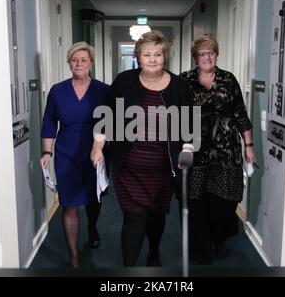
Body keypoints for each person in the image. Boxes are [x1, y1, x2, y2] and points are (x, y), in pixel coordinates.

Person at [90, 30, 193, 267]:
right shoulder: (124, 81)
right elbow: (106, 116)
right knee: (135, 215)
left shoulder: (179, 86)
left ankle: (154, 250)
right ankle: (129, 269)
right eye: (147, 54)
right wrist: (97, 147)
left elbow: (190, 123)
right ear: (139, 57)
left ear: (165, 56)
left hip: (164, 167)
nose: (153, 59)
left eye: (158, 54)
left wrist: (188, 150)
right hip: (129, 165)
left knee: (156, 215)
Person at [179, 35, 256, 265]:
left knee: (224, 200)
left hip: (226, 150)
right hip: (196, 149)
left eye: (211, 53)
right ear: (195, 57)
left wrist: (248, 145)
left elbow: (240, 113)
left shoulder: (228, 79)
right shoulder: (185, 80)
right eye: (202, 53)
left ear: (216, 55)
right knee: (198, 200)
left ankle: (219, 238)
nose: (207, 57)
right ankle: (201, 246)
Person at [40, 42, 109, 268]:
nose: (79, 64)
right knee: (69, 203)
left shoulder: (103, 90)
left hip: (94, 151)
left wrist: (100, 148)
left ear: (91, 63)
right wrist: (47, 151)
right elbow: (49, 121)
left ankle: (92, 226)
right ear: (69, 63)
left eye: (84, 60)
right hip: (66, 152)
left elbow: (108, 122)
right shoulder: (58, 90)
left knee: (93, 199)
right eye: (74, 60)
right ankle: (74, 257)